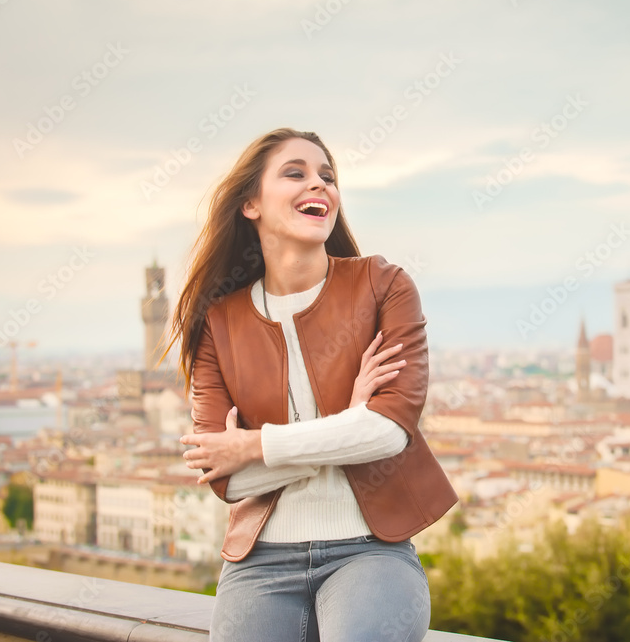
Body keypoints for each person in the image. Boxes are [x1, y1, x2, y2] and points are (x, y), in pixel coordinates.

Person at [165, 128, 459, 641]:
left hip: (371, 550)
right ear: (251, 203)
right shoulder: (219, 321)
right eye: (295, 173)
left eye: (328, 176)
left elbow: (389, 434)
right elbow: (226, 478)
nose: (319, 185)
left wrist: (254, 446)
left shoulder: (383, 285)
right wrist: (350, 425)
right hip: (258, 563)